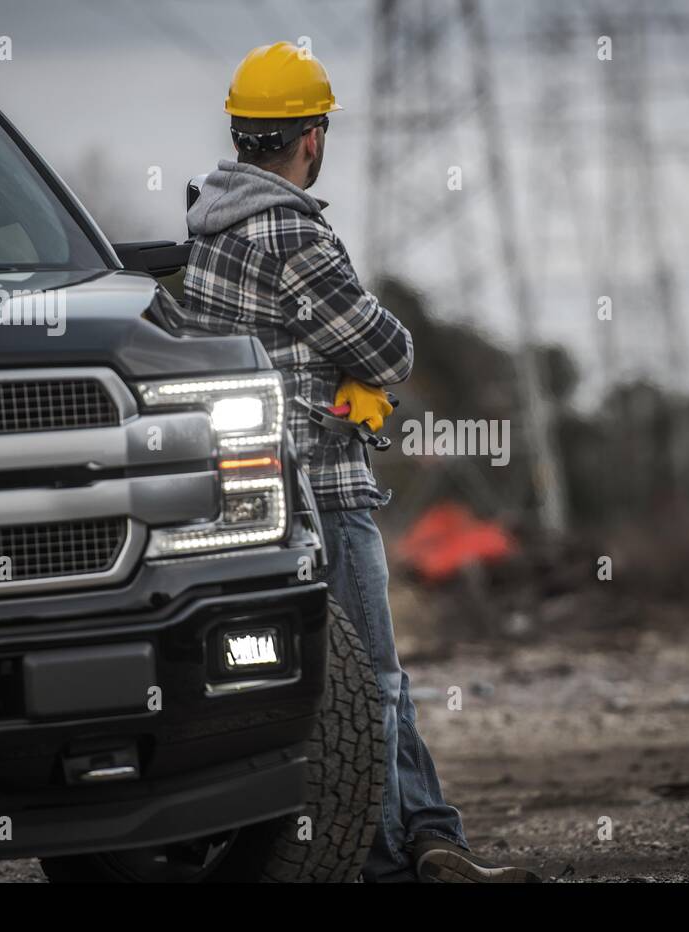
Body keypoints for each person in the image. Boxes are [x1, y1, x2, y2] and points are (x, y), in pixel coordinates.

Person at [184, 40, 538, 883]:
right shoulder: (288, 229)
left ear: (240, 132)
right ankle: (390, 862)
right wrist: (364, 372)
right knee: (372, 681)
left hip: (242, 493)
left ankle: (432, 839)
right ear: (310, 137)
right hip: (321, 490)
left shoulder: (206, 230)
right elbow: (388, 347)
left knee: (374, 678)